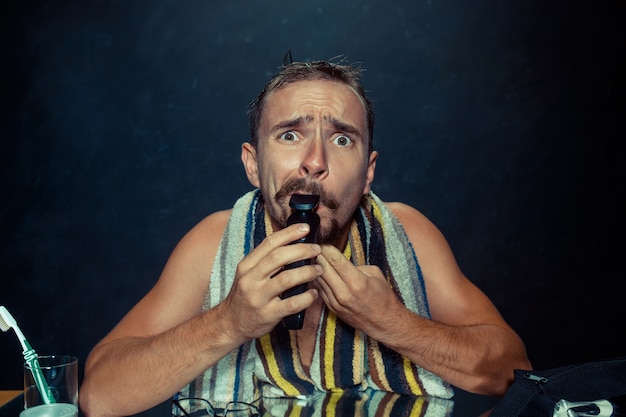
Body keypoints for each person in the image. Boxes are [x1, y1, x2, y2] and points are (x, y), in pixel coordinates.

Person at [79, 58, 532, 417]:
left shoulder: (408, 234)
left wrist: (393, 322)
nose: (314, 161)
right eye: (291, 134)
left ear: (368, 172)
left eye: (341, 140)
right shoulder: (212, 244)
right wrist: (228, 322)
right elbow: (99, 396)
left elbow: (515, 373)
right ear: (253, 165)